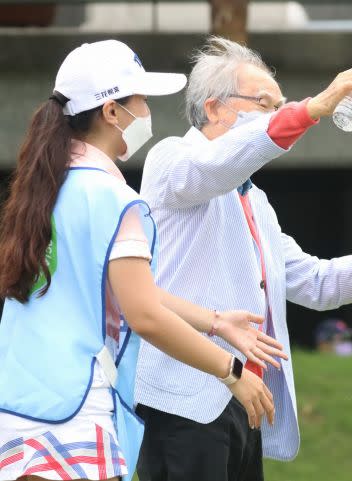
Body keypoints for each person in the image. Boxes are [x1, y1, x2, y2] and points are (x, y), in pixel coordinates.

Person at [134, 37, 352, 481]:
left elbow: (313, 282)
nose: (275, 114)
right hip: (184, 399)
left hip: (246, 398)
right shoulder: (172, 158)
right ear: (213, 109)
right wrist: (313, 108)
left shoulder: (256, 201)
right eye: (264, 103)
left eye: (280, 105)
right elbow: (216, 167)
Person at [0, 40, 286, 481]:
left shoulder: (47, 190)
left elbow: (136, 292)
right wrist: (231, 371)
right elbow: (146, 314)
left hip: (19, 408)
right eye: (141, 100)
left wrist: (214, 321)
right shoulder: (115, 199)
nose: (148, 112)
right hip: (77, 413)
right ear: (112, 112)